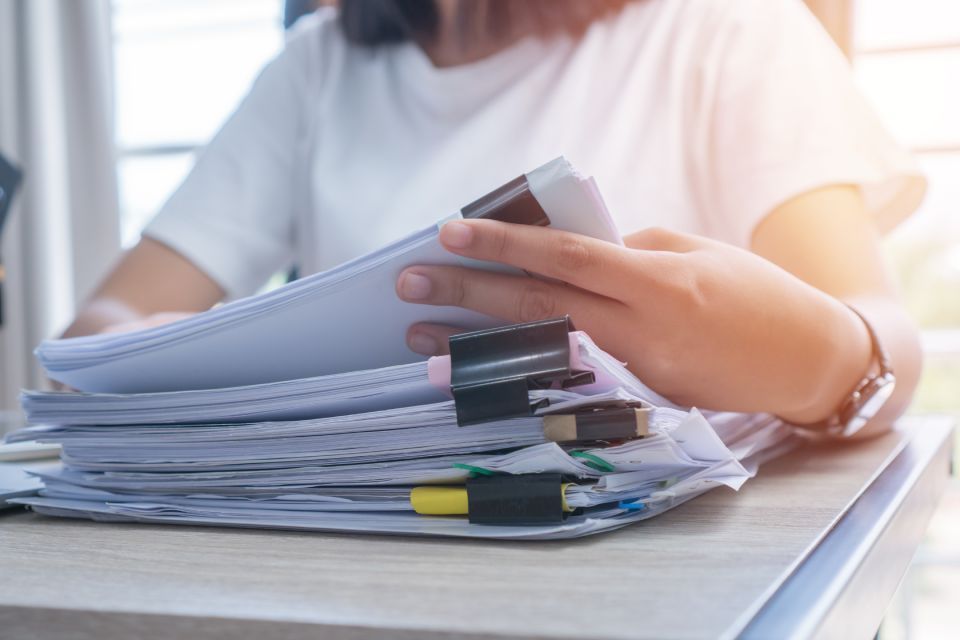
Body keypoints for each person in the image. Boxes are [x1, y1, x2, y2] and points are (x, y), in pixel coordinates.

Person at [64, 0, 926, 436]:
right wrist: (197, 353)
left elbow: (885, 336)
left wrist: (805, 358)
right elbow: (95, 334)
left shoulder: (725, 30)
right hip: (367, 554)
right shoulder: (314, 72)